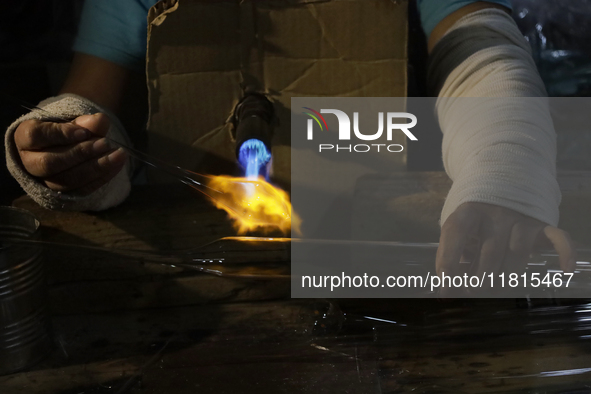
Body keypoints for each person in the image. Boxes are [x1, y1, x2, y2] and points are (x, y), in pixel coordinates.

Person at [4, 0, 577, 279]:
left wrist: (504, 173)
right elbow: (90, 109)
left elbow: (477, 50)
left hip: (380, 248)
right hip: (194, 269)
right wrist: (67, 145)